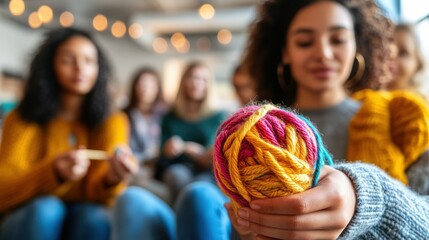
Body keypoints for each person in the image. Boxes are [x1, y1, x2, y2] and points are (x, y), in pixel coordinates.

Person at [229, 0, 429, 238]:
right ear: (285, 52)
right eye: (305, 42)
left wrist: (368, 200)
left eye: (338, 39)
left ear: (357, 45)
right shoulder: (259, 136)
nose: (323, 53)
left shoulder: (402, 117)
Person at [0, 28, 175, 240]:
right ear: (49, 66)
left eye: (89, 61)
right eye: (67, 60)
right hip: (26, 217)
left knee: (94, 217)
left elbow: (101, 196)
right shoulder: (21, 118)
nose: (80, 68)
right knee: (47, 209)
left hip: (86, 213)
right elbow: (3, 192)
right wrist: (53, 173)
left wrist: (112, 178)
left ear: (99, 68)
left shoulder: (113, 120)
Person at [156, 61, 226, 201]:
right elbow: (162, 152)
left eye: (202, 79)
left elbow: (217, 152)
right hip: (178, 165)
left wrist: (194, 151)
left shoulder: (218, 116)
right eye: (192, 77)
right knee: (176, 175)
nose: (196, 83)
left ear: (209, 85)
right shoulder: (170, 116)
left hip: (207, 168)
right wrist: (167, 148)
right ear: (183, 81)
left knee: (200, 186)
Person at [123, 67, 170, 201]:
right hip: (134, 168)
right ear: (134, 86)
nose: (145, 88)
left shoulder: (165, 115)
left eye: (151, 84)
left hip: (159, 168)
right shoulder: (124, 115)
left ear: (158, 88)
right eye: (142, 84)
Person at [387, 23, 426, 92]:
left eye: (403, 53)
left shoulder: (419, 102)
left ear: (418, 65)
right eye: (387, 49)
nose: (392, 56)